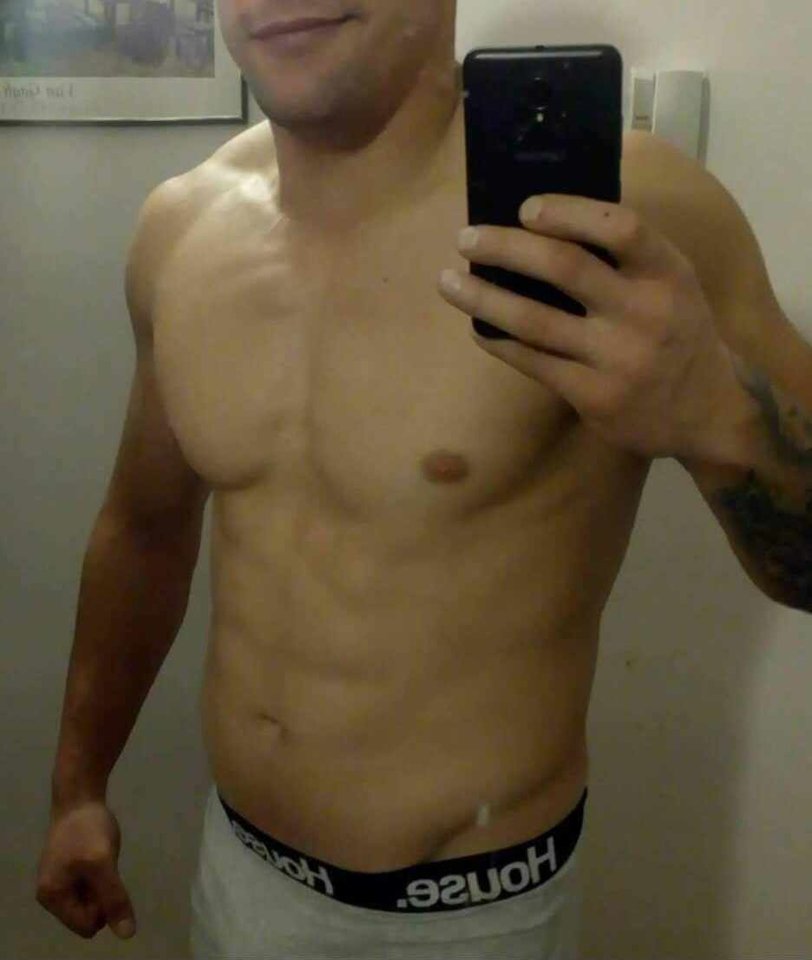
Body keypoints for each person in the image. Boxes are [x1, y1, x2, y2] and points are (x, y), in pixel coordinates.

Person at [34, 1, 812, 958]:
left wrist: (723, 419)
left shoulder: (630, 208)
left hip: (475, 919)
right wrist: (78, 786)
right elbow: (143, 531)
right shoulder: (180, 228)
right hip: (239, 879)